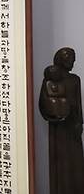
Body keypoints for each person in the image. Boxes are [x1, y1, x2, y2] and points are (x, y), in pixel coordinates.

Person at [39, 47, 84, 194]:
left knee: (75, 161)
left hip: (72, 125)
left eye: (73, 59)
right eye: (70, 59)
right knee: (60, 162)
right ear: (61, 60)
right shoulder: (49, 80)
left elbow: (78, 104)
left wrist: (80, 122)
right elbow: (43, 104)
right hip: (58, 127)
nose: (72, 62)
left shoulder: (75, 79)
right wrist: (53, 114)